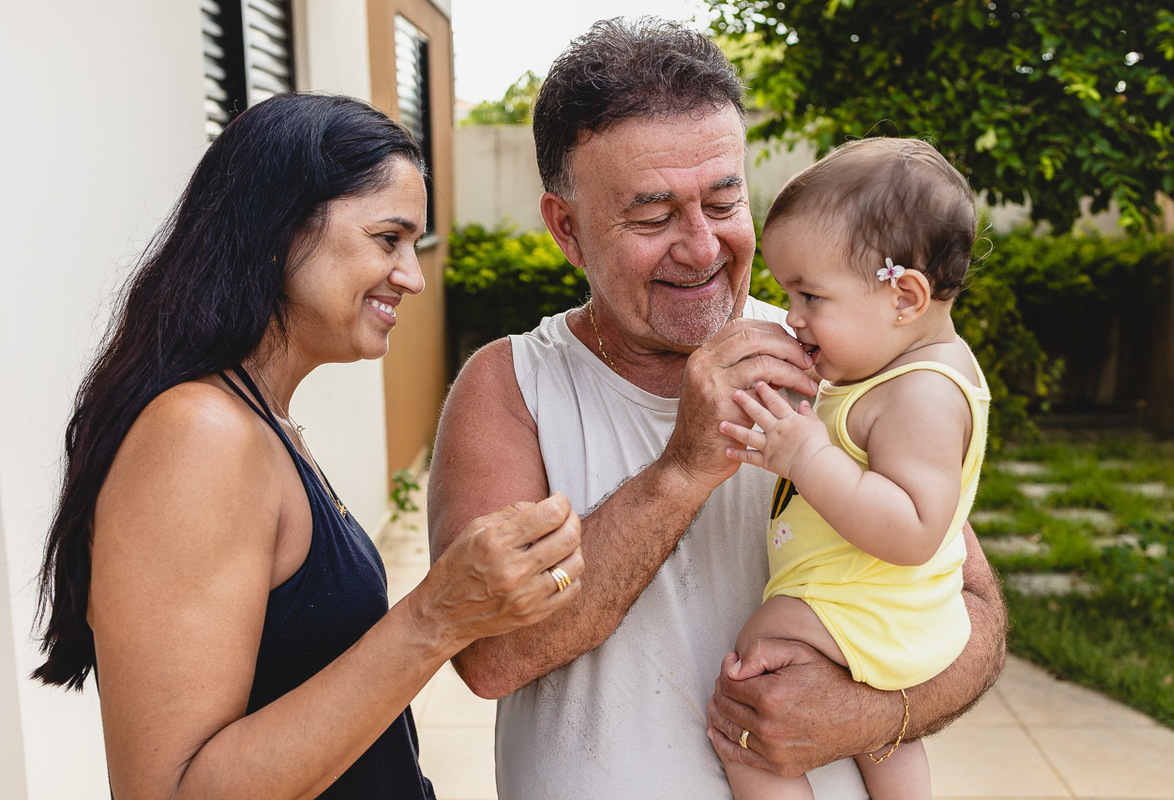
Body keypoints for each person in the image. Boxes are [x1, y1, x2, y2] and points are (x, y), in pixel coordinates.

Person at [428, 17, 1007, 799]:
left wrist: (873, 715)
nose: (702, 248)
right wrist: (683, 467)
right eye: (653, 215)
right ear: (567, 228)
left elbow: (968, 609)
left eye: (725, 201)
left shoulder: (841, 356)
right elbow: (489, 657)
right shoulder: (511, 388)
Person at [31, 92, 583, 799]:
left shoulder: (261, 422)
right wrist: (437, 615)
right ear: (279, 230)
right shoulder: (200, 435)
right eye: (388, 239)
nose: (413, 276)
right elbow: (169, 791)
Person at [716, 137, 990, 800]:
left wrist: (808, 456)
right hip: (881, 611)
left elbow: (916, 527)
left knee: (748, 693)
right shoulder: (894, 370)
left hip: (870, 611)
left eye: (811, 296)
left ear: (905, 297)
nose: (792, 316)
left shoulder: (922, 394)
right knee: (888, 740)